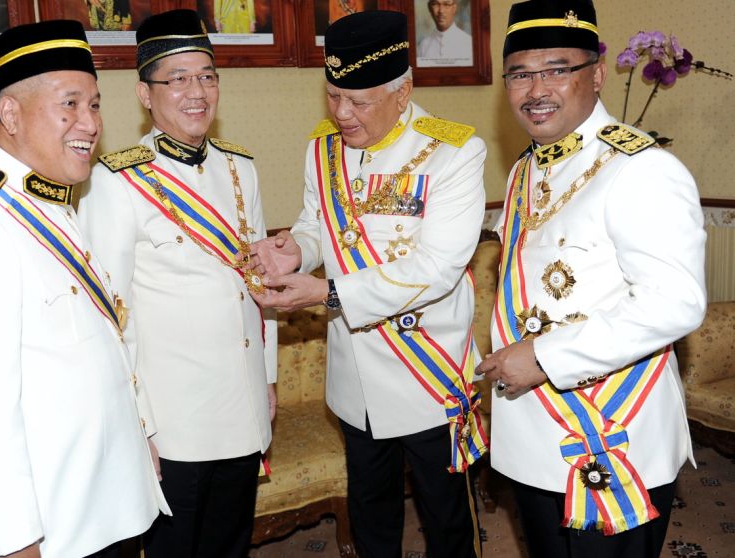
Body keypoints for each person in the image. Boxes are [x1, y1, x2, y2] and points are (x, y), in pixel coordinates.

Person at [0, 20, 169, 558]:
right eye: (70, 104)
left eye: (95, 105)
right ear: (10, 114)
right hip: (43, 531)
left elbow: (108, 343)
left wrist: (141, 436)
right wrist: (14, 543)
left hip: (102, 508)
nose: (90, 122)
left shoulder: (56, 206)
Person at [249, 10, 487, 557]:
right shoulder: (322, 149)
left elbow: (437, 268)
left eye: (358, 101)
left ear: (403, 92)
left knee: (447, 518)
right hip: (355, 376)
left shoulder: (452, 151)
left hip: (428, 372)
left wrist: (327, 293)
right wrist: (296, 251)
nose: (341, 114)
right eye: (333, 96)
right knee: (371, 515)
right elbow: (317, 226)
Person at [475, 1, 707, 557]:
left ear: (597, 74)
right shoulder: (526, 169)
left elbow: (675, 304)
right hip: (534, 432)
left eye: (557, 69)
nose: (536, 90)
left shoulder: (642, 168)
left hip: (611, 435)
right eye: (520, 73)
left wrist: (544, 358)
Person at [78, 9, 277, 558]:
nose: (197, 92)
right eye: (178, 79)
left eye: (207, 76)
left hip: (243, 403)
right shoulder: (114, 181)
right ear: (145, 94)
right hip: (176, 419)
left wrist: (269, 374)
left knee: (231, 544)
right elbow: (114, 318)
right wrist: (139, 425)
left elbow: (260, 281)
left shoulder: (242, 170)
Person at [417, 0, 473, 66]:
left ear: (454, 8)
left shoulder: (469, 43)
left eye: (446, 4)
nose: (441, 11)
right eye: (436, 4)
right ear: (429, 8)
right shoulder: (423, 46)